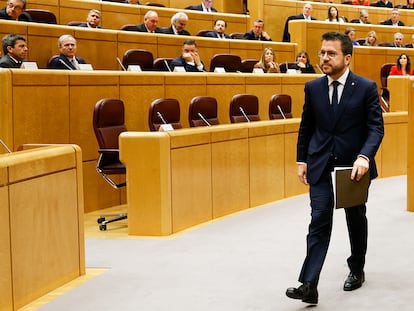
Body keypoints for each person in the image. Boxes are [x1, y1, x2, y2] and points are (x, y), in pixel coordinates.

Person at [286, 31, 384, 305]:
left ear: (347, 57)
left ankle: (356, 267)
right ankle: (309, 284)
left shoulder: (365, 87)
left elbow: (376, 128)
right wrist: (301, 160)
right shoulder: (313, 87)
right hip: (319, 163)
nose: (324, 58)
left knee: (355, 218)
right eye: (322, 53)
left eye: (331, 53)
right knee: (319, 219)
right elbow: (307, 126)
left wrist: (364, 157)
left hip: (354, 166)